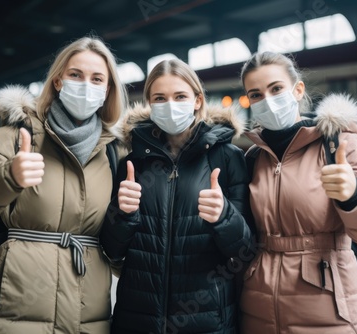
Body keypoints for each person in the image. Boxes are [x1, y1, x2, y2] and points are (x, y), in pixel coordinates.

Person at [0, 36, 128, 333]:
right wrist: (8, 178)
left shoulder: (115, 152)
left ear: (108, 89)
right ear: (58, 81)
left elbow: (124, 255)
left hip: (90, 317)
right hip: (16, 314)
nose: (86, 85)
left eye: (97, 78)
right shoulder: (17, 135)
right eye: (75, 75)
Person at [239, 51, 357, 334]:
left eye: (276, 89)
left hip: (327, 311)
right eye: (256, 94)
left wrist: (353, 195)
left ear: (297, 90)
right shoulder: (252, 158)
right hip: (258, 309)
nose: (267, 100)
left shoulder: (339, 144)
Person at [100, 59, 255, 334]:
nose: (170, 105)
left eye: (180, 96)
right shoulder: (132, 163)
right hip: (137, 321)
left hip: (207, 322)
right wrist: (122, 214)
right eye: (160, 98)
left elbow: (244, 252)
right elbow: (112, 250)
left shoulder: (227, 158)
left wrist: (224, 217)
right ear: (149, 103)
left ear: (197, 100)